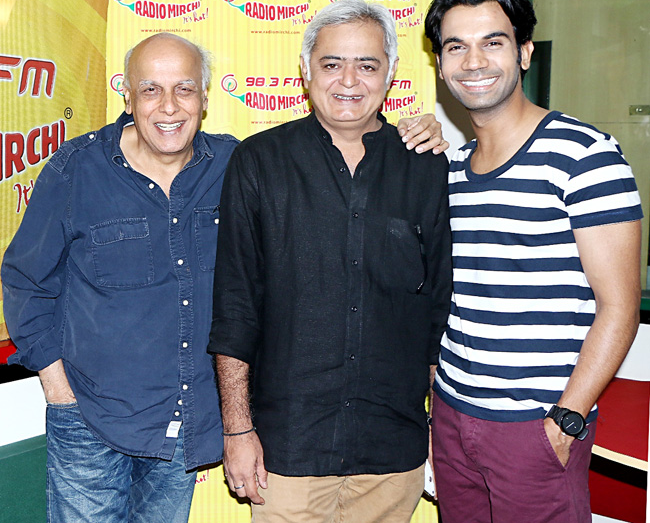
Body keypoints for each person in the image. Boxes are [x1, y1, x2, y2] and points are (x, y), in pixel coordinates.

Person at [1, 31, 444, 521]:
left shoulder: (238, 163)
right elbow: (25, 282)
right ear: (126, 95)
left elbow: (319, 147)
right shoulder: (76, 170)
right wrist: (60, 392)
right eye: (150, 89)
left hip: (183, 422)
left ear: (205, 98)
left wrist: (410, 130)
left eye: (185, 89)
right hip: (91, 419)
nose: (168, 106)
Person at [208, 0, 452, 523]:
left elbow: (437, 313)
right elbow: (234, 311)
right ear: (304, 70)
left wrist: (442, 434)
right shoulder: (258, 162)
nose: (349, 80)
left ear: (389, 74)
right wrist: (237, 430)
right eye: (332, 63)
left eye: (367, 64)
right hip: (289, 452)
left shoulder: (427, 168)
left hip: (393, 453)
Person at [423, 0, 643, 523]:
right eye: (457, 46)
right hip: (452, 416)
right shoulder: (447, 169)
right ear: (442, 63)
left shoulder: (586, 155)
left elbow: (619, 307)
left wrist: (565, 420)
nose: (474, 61)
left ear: (524, 52)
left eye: (492, 41)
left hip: (536, 428)